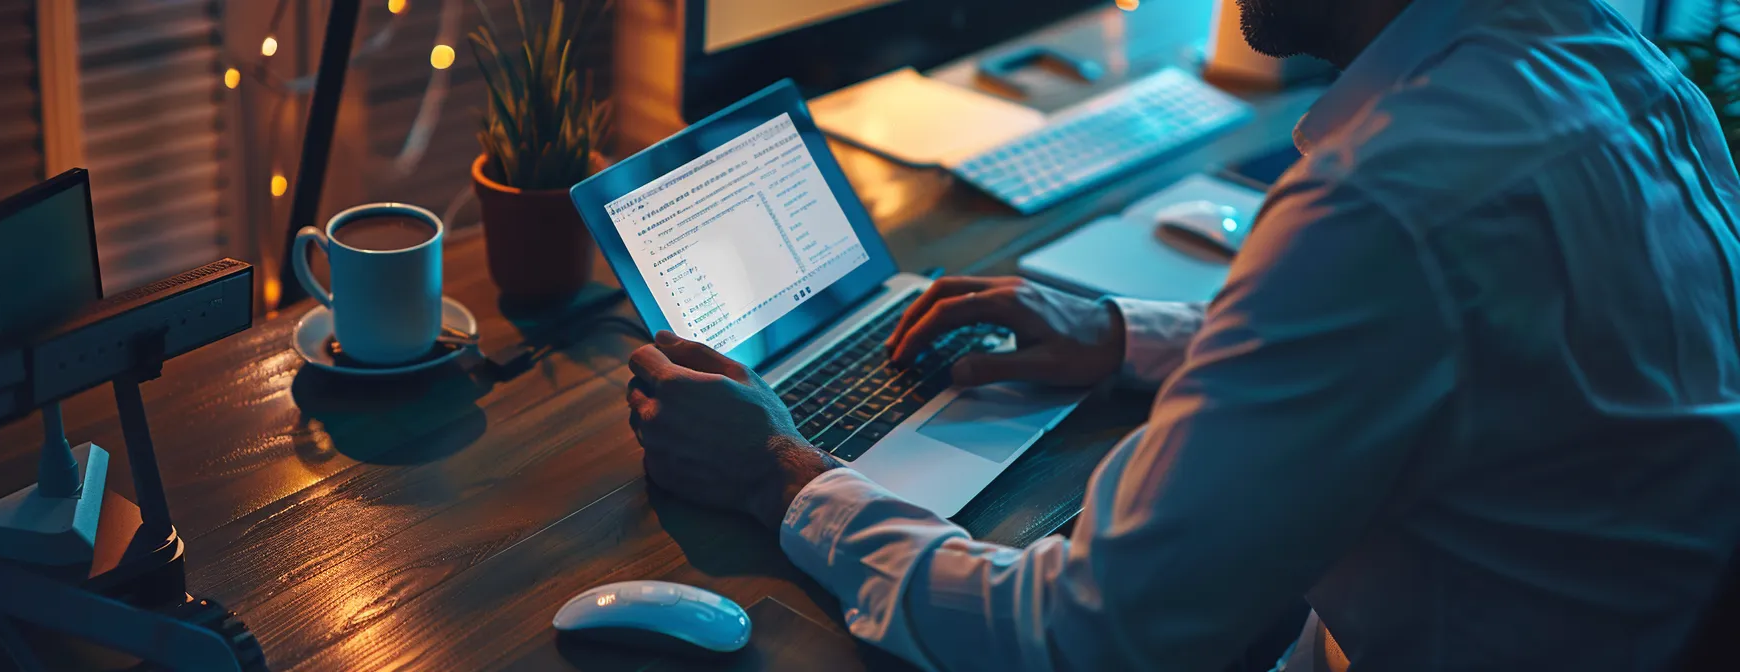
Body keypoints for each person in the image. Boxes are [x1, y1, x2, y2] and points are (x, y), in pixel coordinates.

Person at [624, 0, 1740, 668]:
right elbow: (1444, 335)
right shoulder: (1608, 64)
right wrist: (1127, 336)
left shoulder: (1382, 200)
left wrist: (778, 472)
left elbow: (1071, 641)